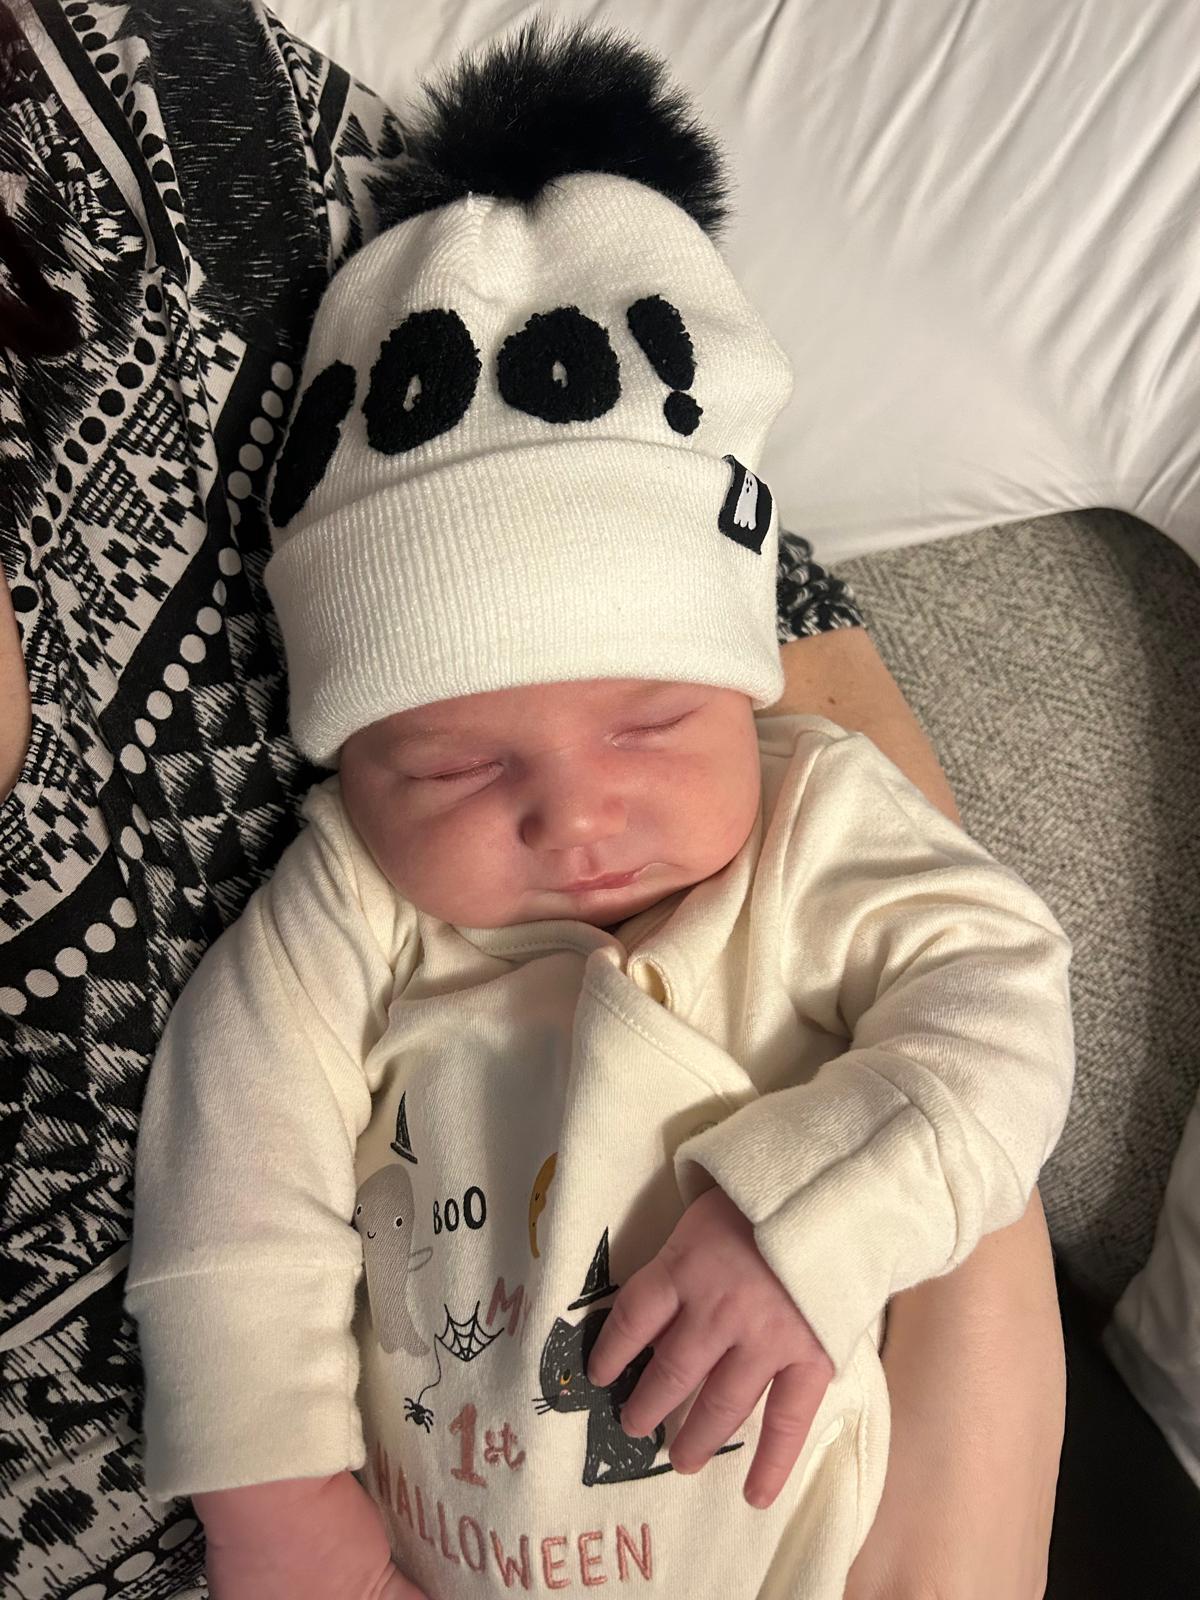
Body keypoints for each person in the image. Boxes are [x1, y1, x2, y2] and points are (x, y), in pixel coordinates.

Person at [0, 4, 1068, 1598]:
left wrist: (810, 1223)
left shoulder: (816, 827)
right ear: (349, 762)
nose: (573, 817)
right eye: (453, 763)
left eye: (653, 721)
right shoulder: (351, 900)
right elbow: (230, 1198)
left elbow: (1006, 1010)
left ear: (744, 685)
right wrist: (280, 1508)